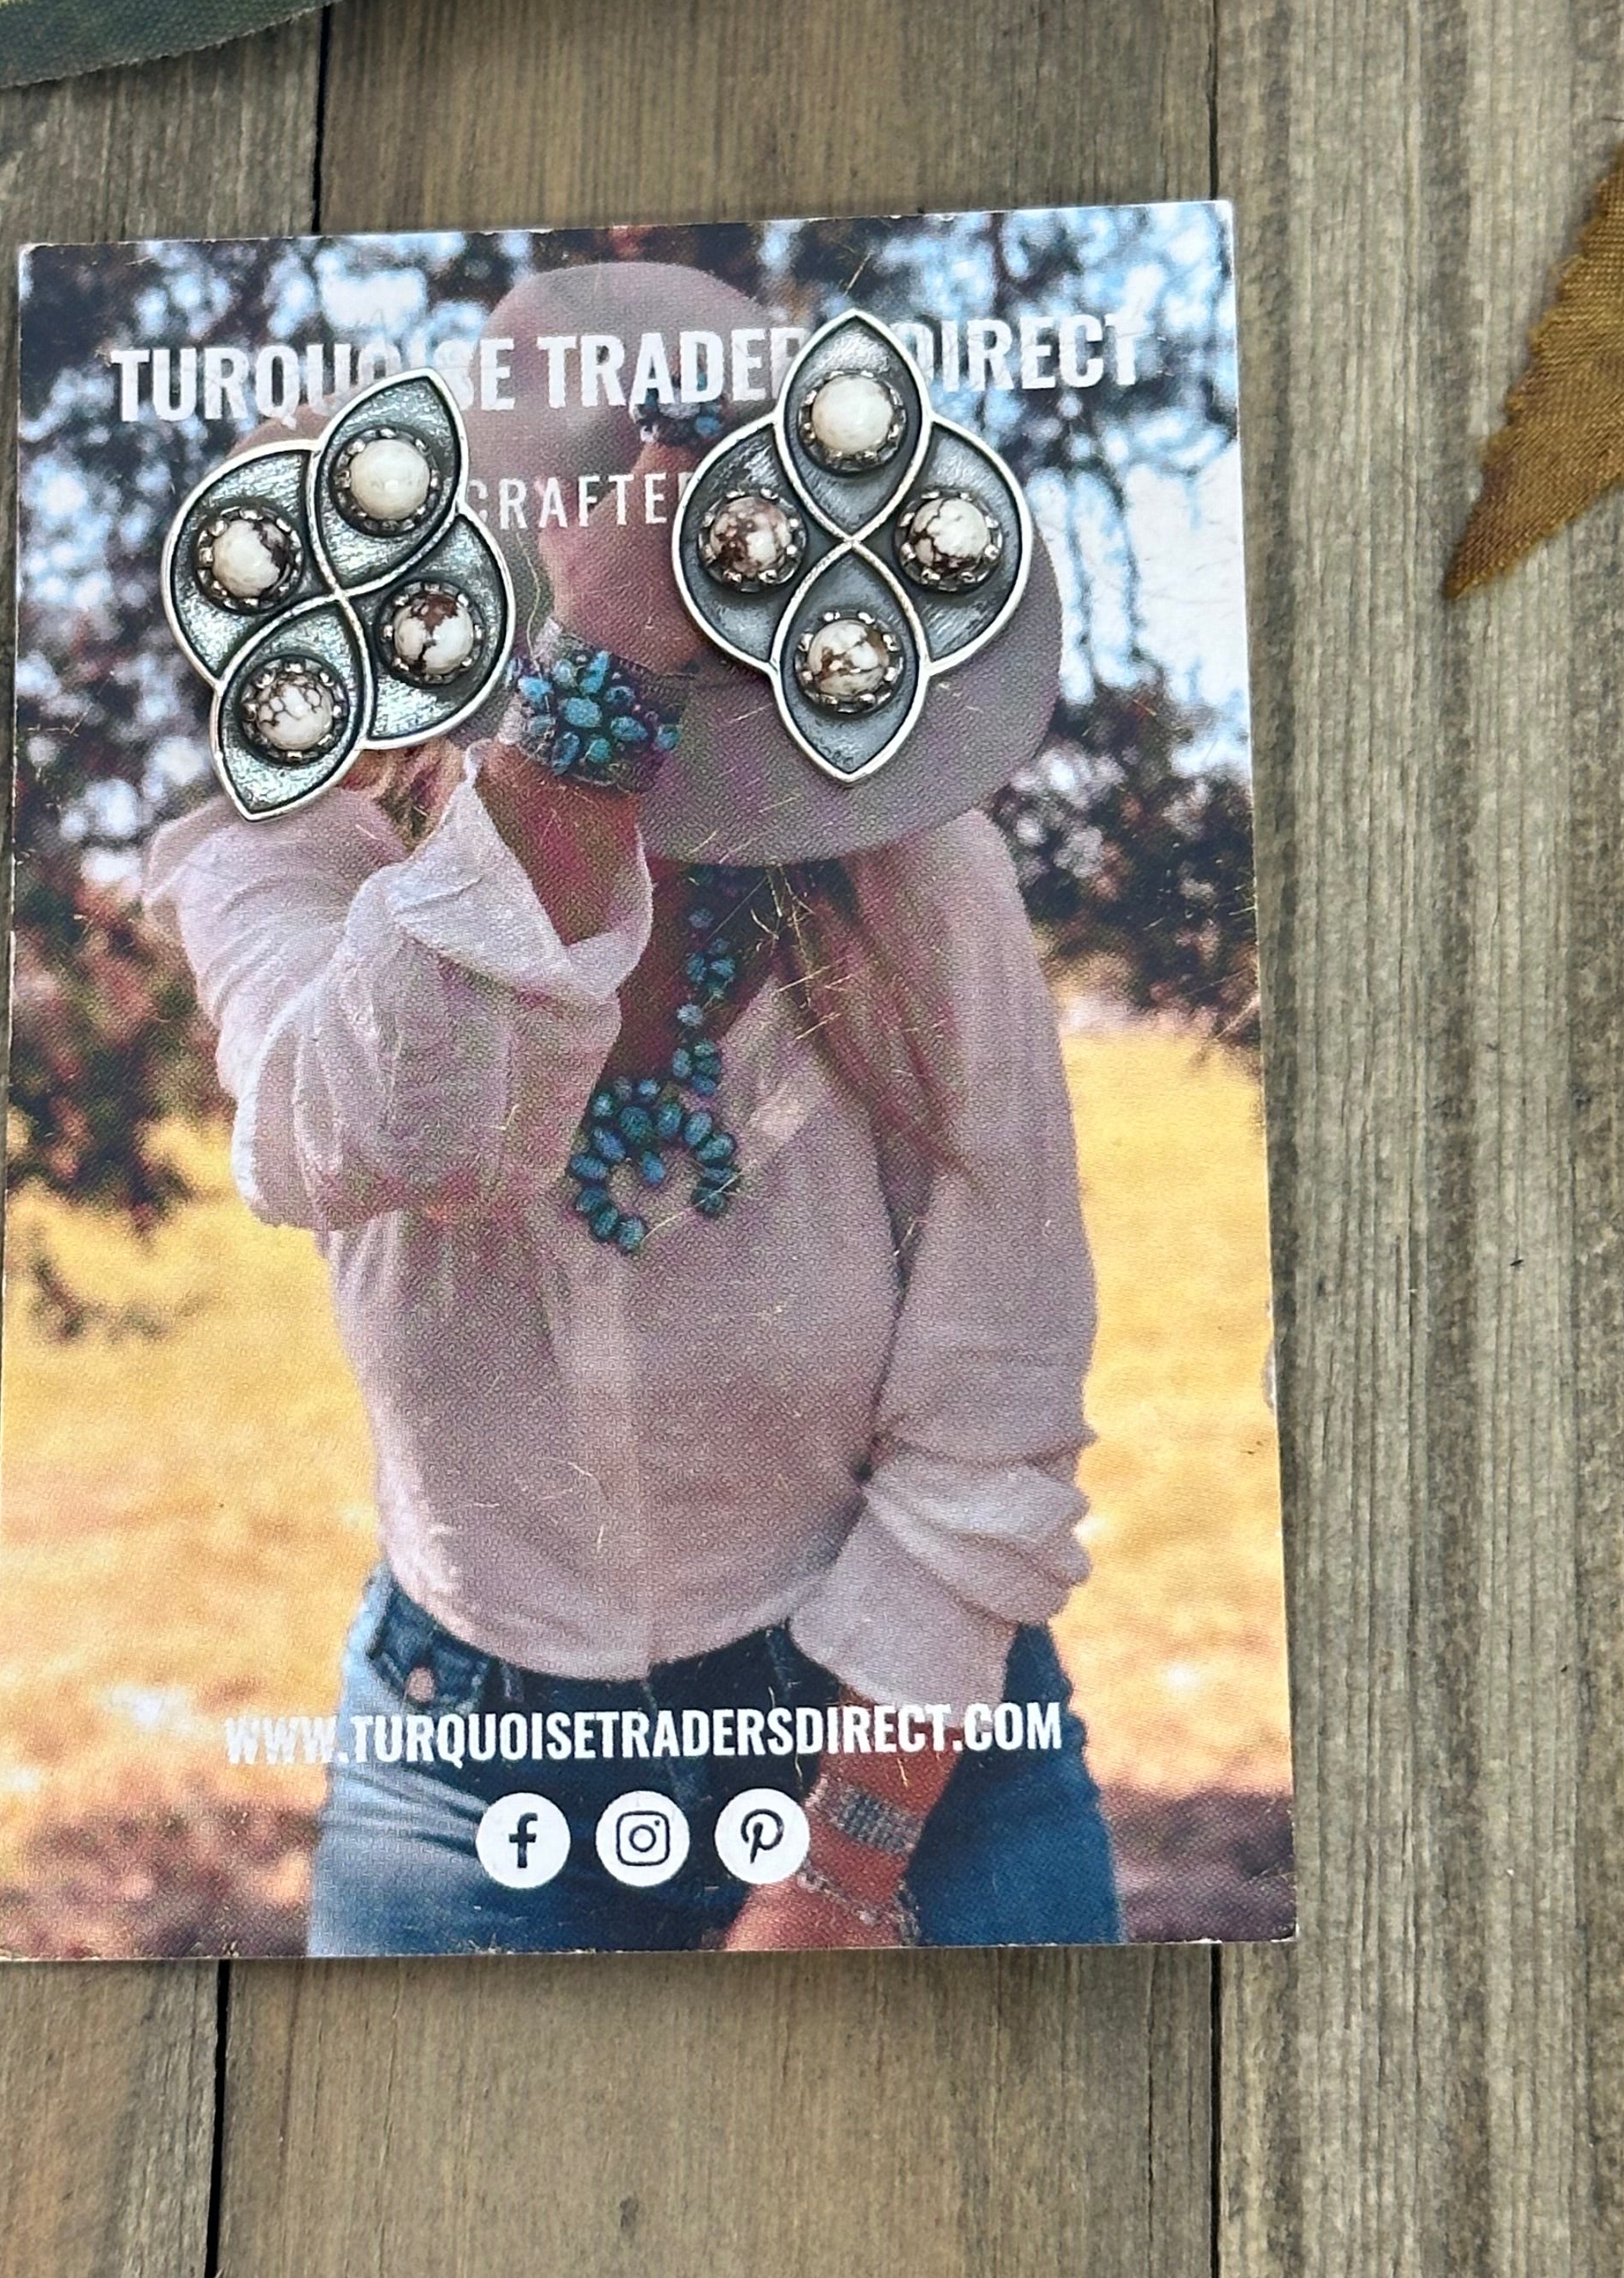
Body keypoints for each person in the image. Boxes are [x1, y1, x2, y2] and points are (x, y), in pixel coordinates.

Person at [144, 266, 1119, 1952]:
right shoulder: (290, 857)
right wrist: (591, 716)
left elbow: (994, 1411)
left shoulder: (914, 880)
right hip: (467, 1779)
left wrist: (839, 1877)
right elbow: (385, 1131)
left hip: (895, 1748)